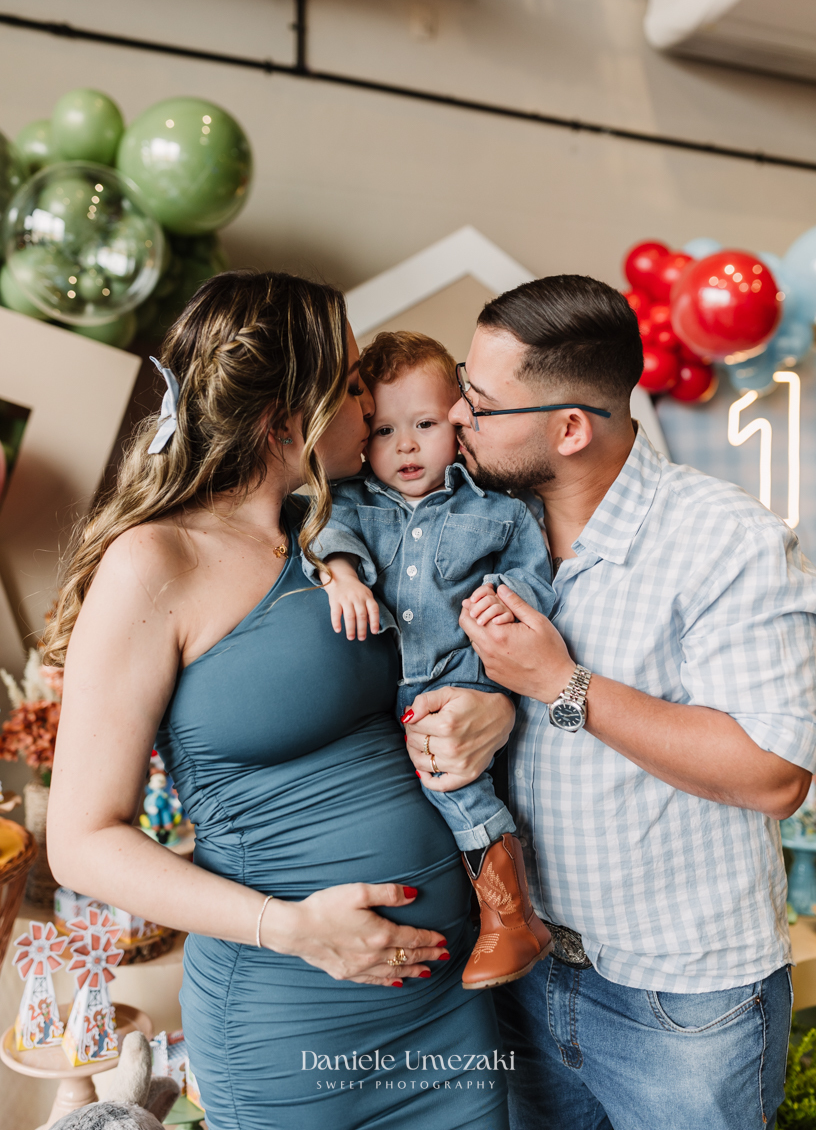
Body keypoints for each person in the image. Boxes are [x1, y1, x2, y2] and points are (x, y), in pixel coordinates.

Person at [45, 272, 514, 1130]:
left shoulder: (353, 529)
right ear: (283, 416)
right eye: (348, 382)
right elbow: (80, 843)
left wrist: (503, 710)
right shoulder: (158, 562)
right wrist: (291, 928)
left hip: (444, 1006)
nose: (368, 399)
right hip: (292, 1014)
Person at [402, 273, 816, 1130]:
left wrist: (561, 685)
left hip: (682, 1005)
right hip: (526, 974)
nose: (457, 421)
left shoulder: (723, 539)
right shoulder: (475, 519)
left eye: (479, 403)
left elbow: (775, 772)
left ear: (570, 428)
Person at [303, 330, 560, 988]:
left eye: (424, 425)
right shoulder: (355, 502)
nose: (406, 446)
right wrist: (341, 573)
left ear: (457, 421)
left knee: (456, 782)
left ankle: (513, 920)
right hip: (382, 691)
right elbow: (319, 526)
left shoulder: (499, 510)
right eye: (384, 430)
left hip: (459, 679)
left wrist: (505, 604)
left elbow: (532, 574)